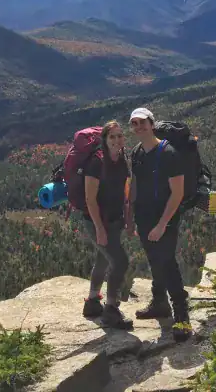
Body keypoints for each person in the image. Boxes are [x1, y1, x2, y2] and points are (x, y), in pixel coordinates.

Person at [128, 107, 192, 342]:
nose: (139, 127)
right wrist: (130, 216)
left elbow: (177, 193)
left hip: (166, 216)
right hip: (144, 217)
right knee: (155, 259)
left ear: (152, 124)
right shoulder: (136, 153)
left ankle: (182, 314)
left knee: (166, 261)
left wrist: (163, 224)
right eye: (134, 123)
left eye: (143, 122)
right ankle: (160, 303)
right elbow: (134, 185)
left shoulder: (168, 153)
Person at [81, 120, 133, 329]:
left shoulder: (121, 159)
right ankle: (111, 309)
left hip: (115, 220)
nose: (117, 140)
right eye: (112, 136)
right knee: (120, 262)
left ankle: (93, 303)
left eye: (120, 136)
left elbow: (126, 192)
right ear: (104, 139)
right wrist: (99, 229)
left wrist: (129, 220)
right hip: (96, 222)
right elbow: (89, 199)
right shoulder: (96, 162)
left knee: (103, 259)